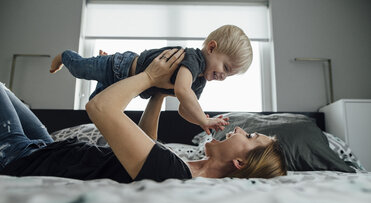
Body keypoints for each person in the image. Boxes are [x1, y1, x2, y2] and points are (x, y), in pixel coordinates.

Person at [0, 49, 286, 182]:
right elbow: (147, 142)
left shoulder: (175, 173)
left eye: (248, 137)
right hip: (50, 147)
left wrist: (150, 76)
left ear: (239, 162)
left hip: (23, 158)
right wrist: (160, 93)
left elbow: (99, 107)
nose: (238, 130)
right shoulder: (185, 166)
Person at [49, 25, 253, 135]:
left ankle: (102, 70)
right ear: (211, 48)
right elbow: (182, 91)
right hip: (120, 66)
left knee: (93, 109)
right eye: (225, 67)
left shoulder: (199, 82)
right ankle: (66, 55)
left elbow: (183, 109)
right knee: (79, 70)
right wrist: (203, 118)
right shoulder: (194, 59)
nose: (223, 77)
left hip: (124, 85)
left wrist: (199, 122)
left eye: (229, 75)